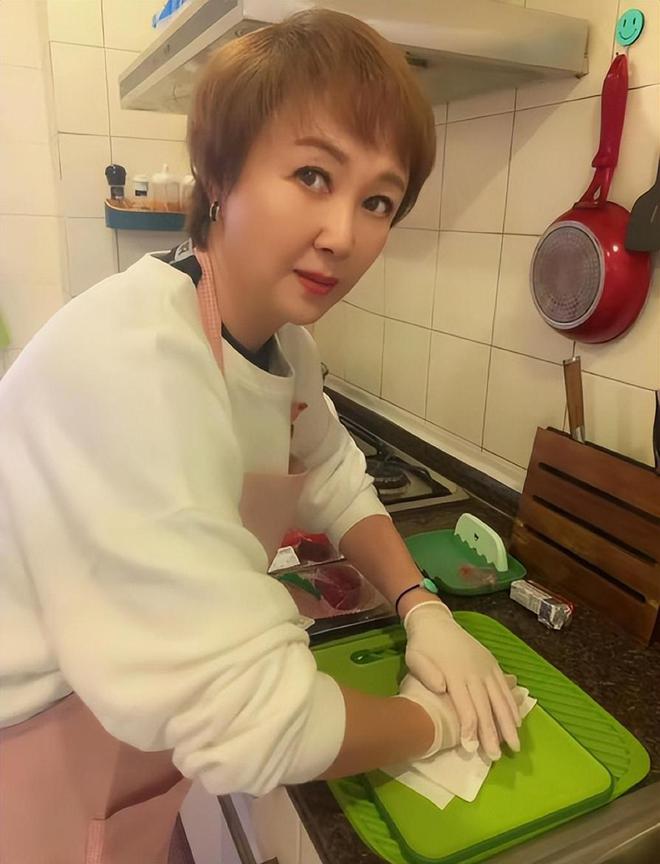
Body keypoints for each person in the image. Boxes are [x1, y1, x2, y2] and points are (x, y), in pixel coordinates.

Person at [0, 9, 520, 863]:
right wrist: (432, 722)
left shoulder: (280, 346)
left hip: (120, 747)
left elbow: (333, 472)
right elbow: (259, 726)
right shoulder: (132, 364)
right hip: (30, 757)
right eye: (313, 175)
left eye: (378, 201)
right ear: (219, 173)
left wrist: (422, 606)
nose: (344, 235)